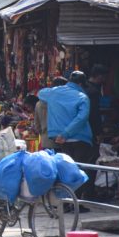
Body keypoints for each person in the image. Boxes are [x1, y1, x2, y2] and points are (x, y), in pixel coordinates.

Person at [38, 71, 96, 201]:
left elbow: (40, 93)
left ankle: (67, 201)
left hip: (61, 139)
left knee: (67, 170)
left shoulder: (54, 92)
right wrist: (67, 133)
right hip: (80, 138)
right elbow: (82, 118)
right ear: (81, 84)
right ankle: (76, 203)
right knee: (80, 171)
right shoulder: (82, 97)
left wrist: (63, 135)